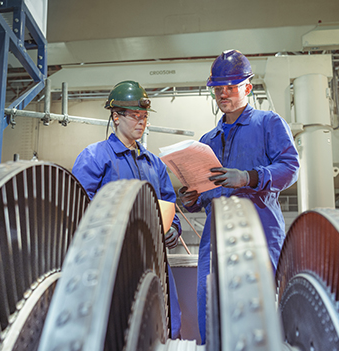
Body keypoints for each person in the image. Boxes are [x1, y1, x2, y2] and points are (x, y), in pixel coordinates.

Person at [179, 50, 300, 344]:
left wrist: (248, 177)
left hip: (260, 230)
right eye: (218, 88)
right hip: (215, 235)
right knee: (211, 308)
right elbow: (207, 193)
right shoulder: (207, 141)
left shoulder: (268, 124)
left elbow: (290, 167)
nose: (223, 94)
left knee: (260, 311)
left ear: (247, 87)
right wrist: (192, 198)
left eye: (230, 87)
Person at [72, 80, 182, 338]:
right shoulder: (95, 157)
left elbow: (168, 204)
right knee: (115, 329)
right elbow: (77, 208)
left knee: (162, 323)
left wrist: (174, 230)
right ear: (116, 116)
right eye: (135, 115)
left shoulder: (154, 163)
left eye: (144, 116)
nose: (141, 122)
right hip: (110, 263)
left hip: (153, 260)